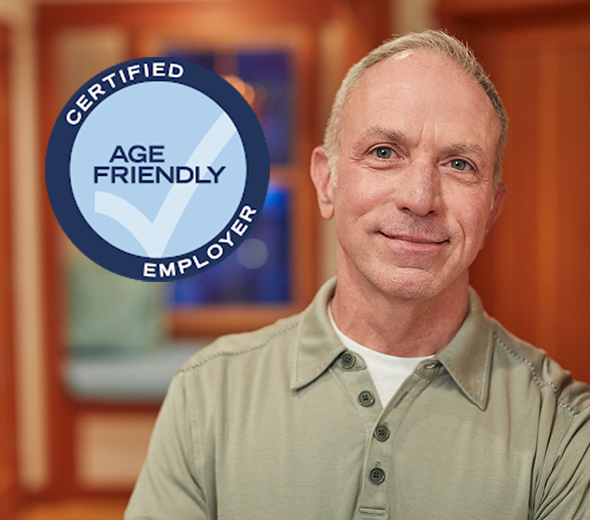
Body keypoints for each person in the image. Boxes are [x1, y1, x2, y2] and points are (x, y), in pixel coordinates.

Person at [125, 30, 590, 519]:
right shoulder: (207, 394)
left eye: (459, 164)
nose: (421, 197)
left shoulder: (562, 428)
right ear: (327, 183)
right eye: (384, 152)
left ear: (492, 210)